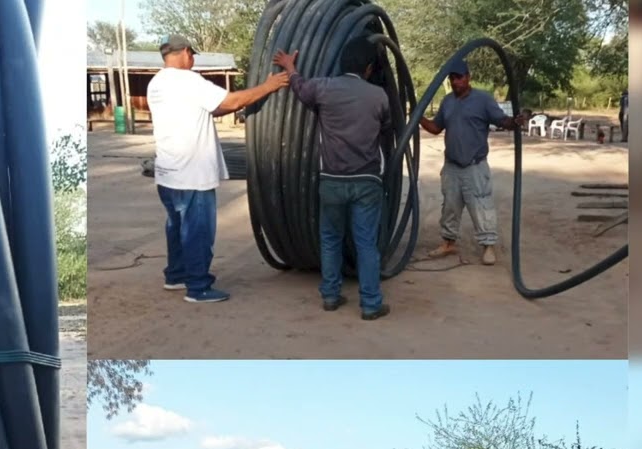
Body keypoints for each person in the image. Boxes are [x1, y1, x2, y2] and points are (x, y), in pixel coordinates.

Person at [148, 33, 289, 303]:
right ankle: (198, 287)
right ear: (186, 52)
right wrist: (269, 86)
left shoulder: (158, 82)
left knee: (177, 227)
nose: (193, 61)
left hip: (168, 173)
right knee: (197, 230)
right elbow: (231, 102)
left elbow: (212, 109)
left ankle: (176, 276)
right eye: (192, 55)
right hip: (193, 174)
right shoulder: (187, 80)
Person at [274, 41, 391, 321]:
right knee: (366, 243)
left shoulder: (323, 88)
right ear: (368, 68)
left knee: (330, 239)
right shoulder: (379, 96)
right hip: (367, 181)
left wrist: (290, 66)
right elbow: (386, 126)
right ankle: (371, 304)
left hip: (332, 180)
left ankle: (330, 295)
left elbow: (299, 87)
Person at [419, 59, 526, 266]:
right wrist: (419, 117)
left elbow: (501, 120)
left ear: (468, 77)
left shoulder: (483, 100)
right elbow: (436, 127)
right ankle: (448, 243)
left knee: (481, 205)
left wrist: (514, 122)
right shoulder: (448, 101)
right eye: (452, 78)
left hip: (474, 166)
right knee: (450, 206)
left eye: (459, 77)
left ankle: (488, 246)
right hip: (452, 165)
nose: (456, 82)